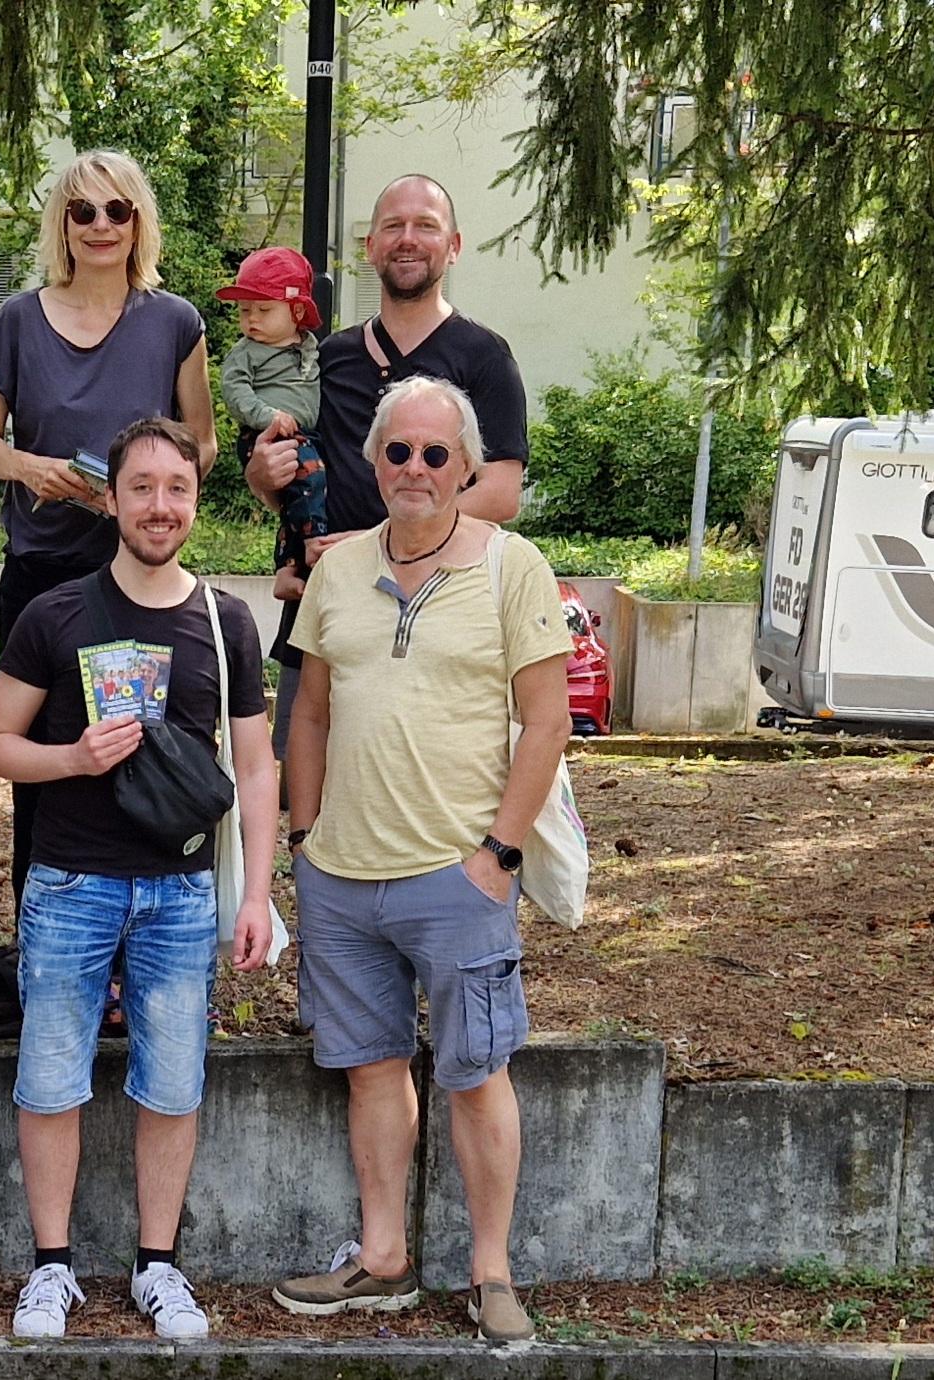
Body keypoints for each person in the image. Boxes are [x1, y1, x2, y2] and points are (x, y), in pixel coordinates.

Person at [268, 379, 572, 1342]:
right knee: (370, 1068)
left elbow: (548, 722)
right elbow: (308, 709)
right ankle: (385, 1259)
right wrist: (303, 840)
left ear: (467, 467)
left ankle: (491, 1274)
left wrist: (501, 853)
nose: (415, 470)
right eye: (398, 452)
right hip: (343, 877)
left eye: (435, 455)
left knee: (477, 1072)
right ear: (373, 462)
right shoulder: (335, 572)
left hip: (459, 873)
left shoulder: (513, 567)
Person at [0, 417, 276, 1341]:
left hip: (182, 890)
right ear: (109, 497)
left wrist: (258, 893)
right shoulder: (55, 614)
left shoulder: (226, 623)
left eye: (176, 488)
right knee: (51, 1077)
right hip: (70, 884)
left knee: (174, 1083)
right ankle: (52, 1268)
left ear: (197, 499)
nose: (159, 505)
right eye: (140, 486)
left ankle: (158, 1268)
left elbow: (258, 767)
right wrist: (73, 758)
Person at [0, 149, 218, 908]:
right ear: (63, 225)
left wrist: (148, 497)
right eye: (83, 211)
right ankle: (43, 930)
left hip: (142, 579)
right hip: (43, 573)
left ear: (140, 221)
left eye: (118, 210)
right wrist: (29, 469)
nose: (101, 225)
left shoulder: (175, 322)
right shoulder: (19, 318)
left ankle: (145, 931)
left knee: (143, 752)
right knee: (41, 758)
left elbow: (200, 444)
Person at [247, 174, 530, 761]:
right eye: (393, 227)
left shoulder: (484, 357)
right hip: (324, 613)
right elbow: (287, 481)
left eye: (426, 225)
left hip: (435, 621)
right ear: (370, 247)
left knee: (419, 791)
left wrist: (375, 542)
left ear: (452, 246)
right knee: (308, 790)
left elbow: (501, 494)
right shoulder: (326, 359)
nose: (409, 239)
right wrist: (263, 477)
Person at [214, 246, 326, 603]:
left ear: (296, 311)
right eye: (245, 311)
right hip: (266, 434)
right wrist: (267, 415)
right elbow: (233, 390)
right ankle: (314, 542)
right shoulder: (246, 351)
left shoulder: (309, 348)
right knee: (310, 479)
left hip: (305, 433)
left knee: (297, 498)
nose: (251, 320)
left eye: (263, 310)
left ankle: (286, 569)